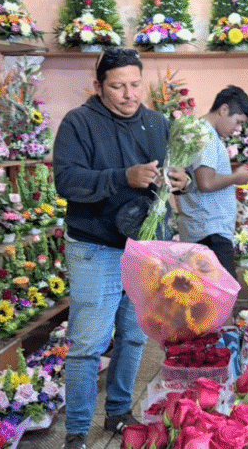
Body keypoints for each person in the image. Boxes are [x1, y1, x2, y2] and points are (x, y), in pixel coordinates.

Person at [53, 48, 190, 449]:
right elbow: (67, 181)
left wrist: (180, 181)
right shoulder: (79, 123)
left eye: (135, 84)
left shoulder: (156, 123)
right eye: (117, 86)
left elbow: (173, 177)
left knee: (133, 336)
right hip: (95, 247)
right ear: (99, 87)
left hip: (144, 249)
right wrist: (122, 177)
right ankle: (77, 429)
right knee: (88, 344)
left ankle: (117, 412)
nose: (129, 94)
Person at [175, 86, 248, 279]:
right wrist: (236, 177)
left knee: (205, 296)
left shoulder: (197, 131)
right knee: (222, 296)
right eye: (237, 122)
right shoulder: (207, 135)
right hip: (210, 231)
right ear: (224, 110)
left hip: (202, 228)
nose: (237, 129)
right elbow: (206, 183)